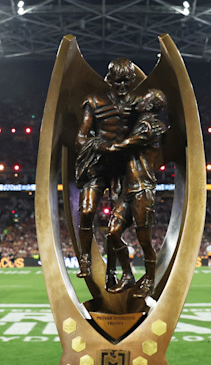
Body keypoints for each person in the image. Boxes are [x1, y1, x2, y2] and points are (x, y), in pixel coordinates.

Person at [74, 58, 140, 280]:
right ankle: (85, 259)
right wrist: (100, 145)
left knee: (115, 225)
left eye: (126, 81)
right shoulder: (94, 102)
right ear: (109, 80)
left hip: (123, 168)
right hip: (98, 165)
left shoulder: (137, 104)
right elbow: (81, 137)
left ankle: (112, 271)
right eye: (117, 81)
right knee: (86, 211)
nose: (122, 86)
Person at [101, 88, 167, 296]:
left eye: (145, 98)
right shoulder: (139, 123)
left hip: (142, 189)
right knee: (112, 232)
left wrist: (105, 146)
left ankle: (150, 281)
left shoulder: (151, 126)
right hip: (128, 189)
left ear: (150, 105)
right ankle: (128, 275)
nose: (140, 100)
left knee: (144, 240)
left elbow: (126, 144)